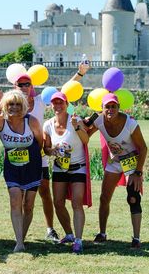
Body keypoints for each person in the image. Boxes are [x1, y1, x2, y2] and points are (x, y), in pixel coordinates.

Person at [0, 53, 89, 243]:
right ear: (14, 87)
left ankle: (50, 228)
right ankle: (21, 238)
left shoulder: (41, 100)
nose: (25, 87)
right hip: (21, 154)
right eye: (21, 85)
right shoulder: (9, 101)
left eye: (27, 84)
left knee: (44, 194)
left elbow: (63, 91)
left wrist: (80, 74)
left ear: (32, 86)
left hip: (39, 153)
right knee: (22, 198)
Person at [0, 90, 43, 252]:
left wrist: (31, 157)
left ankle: (22, 237)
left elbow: (40, 142)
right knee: (15, 200)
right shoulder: (0, 121)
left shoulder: (32, 121)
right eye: (10, 104)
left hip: (32, 165)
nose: (14, 107)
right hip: (12, 167)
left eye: (18, 104)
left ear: (24, 106)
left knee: (28, 205)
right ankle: (19, 242)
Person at [88, 93, 147, 248]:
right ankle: (102, 233)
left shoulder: (130, 124)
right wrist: (79, 124)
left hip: (132, 162)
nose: (110, 109)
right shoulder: (99, 120)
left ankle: (136, 238)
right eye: (107, 107)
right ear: (102, 108)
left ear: (119, 108)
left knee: (133, 198)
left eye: (114, 106)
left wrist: (138, 172)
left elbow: (143, 148)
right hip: (115, 161)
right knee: (104, 197)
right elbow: (85, 135)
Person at [43, 92, 90, 254]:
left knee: (77, 202)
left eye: (60, 103)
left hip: (78, 167)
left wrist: (77, 126)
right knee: (58, 202)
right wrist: (52, 150)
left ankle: (78, 240)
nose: (57, 106)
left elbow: (86, 140)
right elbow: (46, 149)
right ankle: (69, 234)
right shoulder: (48, 125)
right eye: (54, 103)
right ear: (51, 105)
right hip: (59, 167)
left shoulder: (75, 120)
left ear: (66, 104)